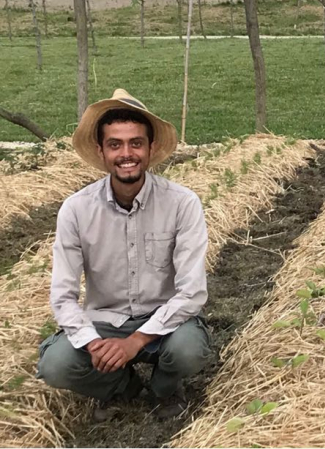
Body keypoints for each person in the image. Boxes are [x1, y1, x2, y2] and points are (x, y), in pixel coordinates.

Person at [37, 89, 211, 421]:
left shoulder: (182, 203)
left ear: (151, 148)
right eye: (115, 144)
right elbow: (63, 296)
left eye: (135, 143)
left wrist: (136, 341)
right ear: (101, 151)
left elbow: (192, 292)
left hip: (167, 322)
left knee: (188, 351)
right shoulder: (76, 210)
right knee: (55, 365)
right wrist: (92, 343)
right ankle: (122, 385)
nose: (126, 153)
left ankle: (164, 387)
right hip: (106, 322)